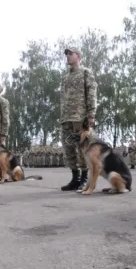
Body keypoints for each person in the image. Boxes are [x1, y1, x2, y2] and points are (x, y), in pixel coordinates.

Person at [59, 47, 98, 191]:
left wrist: (91, 114)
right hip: (66, 118)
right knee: (68, 148)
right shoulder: (65, 77)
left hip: (80, 117)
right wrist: (62, 115)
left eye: (71, 54)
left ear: (78, 56)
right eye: (66, 54)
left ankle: (84, 178)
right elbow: (63, 98)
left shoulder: (86, 72)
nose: (68, 56)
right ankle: (74, 178)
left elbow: (91, 93)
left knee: (82, 149)